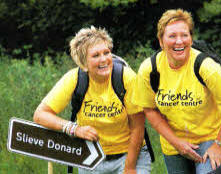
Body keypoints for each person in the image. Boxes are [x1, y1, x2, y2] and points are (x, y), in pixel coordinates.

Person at [133, 9, 221, 174]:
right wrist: (176, 142)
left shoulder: (205, 66)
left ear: (191, 38)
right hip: (173, 142)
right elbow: (149, 109)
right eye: (172, 36)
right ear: (161, 41)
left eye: (185, 35)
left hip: (210, 138)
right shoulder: (149, 69)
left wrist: (219, 144)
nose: (179, 41)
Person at [33, 26, 151, 174]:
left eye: (106, 53)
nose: (104, 59)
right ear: (83, 63)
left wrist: (130, 167)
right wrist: (74, 129)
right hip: (91, 156)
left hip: (130, 155)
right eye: (95, 56)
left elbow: (138, 127)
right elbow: (40, 115)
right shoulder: (74, 79)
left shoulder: (125, 77)